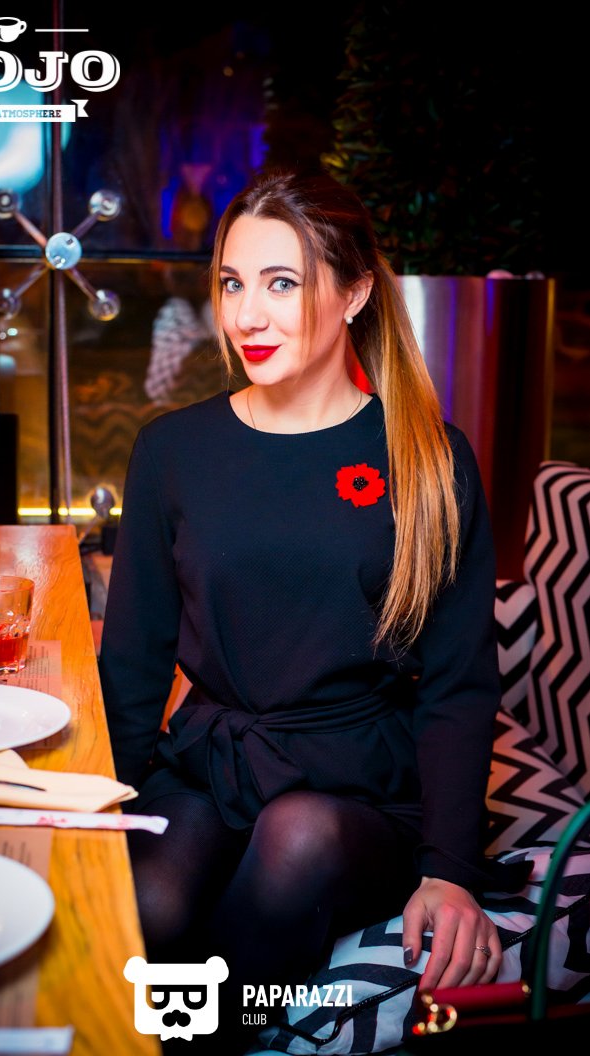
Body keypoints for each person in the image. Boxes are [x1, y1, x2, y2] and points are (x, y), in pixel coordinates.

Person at [98, 169, 530, 1054]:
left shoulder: (428, 458)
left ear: (355, 293)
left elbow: (457, 684)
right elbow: (134, 658)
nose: (247, 315)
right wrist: (97, 804)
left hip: (358, 785)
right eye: (232, 283)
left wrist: (449, 872)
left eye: (281, 283)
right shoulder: (172, 450)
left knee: (294, 839)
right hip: (215, 761)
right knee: (151, 898)